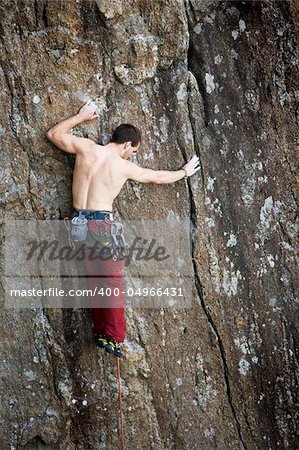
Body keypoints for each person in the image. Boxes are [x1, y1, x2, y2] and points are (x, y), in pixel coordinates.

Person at [45, 100, 200, 357]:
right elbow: (157, 177)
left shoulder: (86, 149)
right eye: (134, 151)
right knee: (113, 282)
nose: (133, 156)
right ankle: (114, 338)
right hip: (101, 227)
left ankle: (103, 333)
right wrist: (183, 172)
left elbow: (53, 134)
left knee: (95, 281)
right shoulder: (122, 166)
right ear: (127, 144)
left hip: (78, 228)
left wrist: (81, 117)